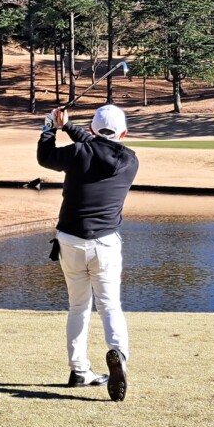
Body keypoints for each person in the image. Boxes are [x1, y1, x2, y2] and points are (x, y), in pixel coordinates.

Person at [37, 104, 138, 402]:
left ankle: (79, 370)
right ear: (124, 133)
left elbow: (46, 156)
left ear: (93, 129)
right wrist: (68, 128)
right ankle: (118, 353)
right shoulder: (130, 161)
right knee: (109, 306)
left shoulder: (78, 153)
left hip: (69, 241)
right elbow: (97, 147)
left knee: (78, 307)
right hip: (105, 243)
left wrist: (49, 127)